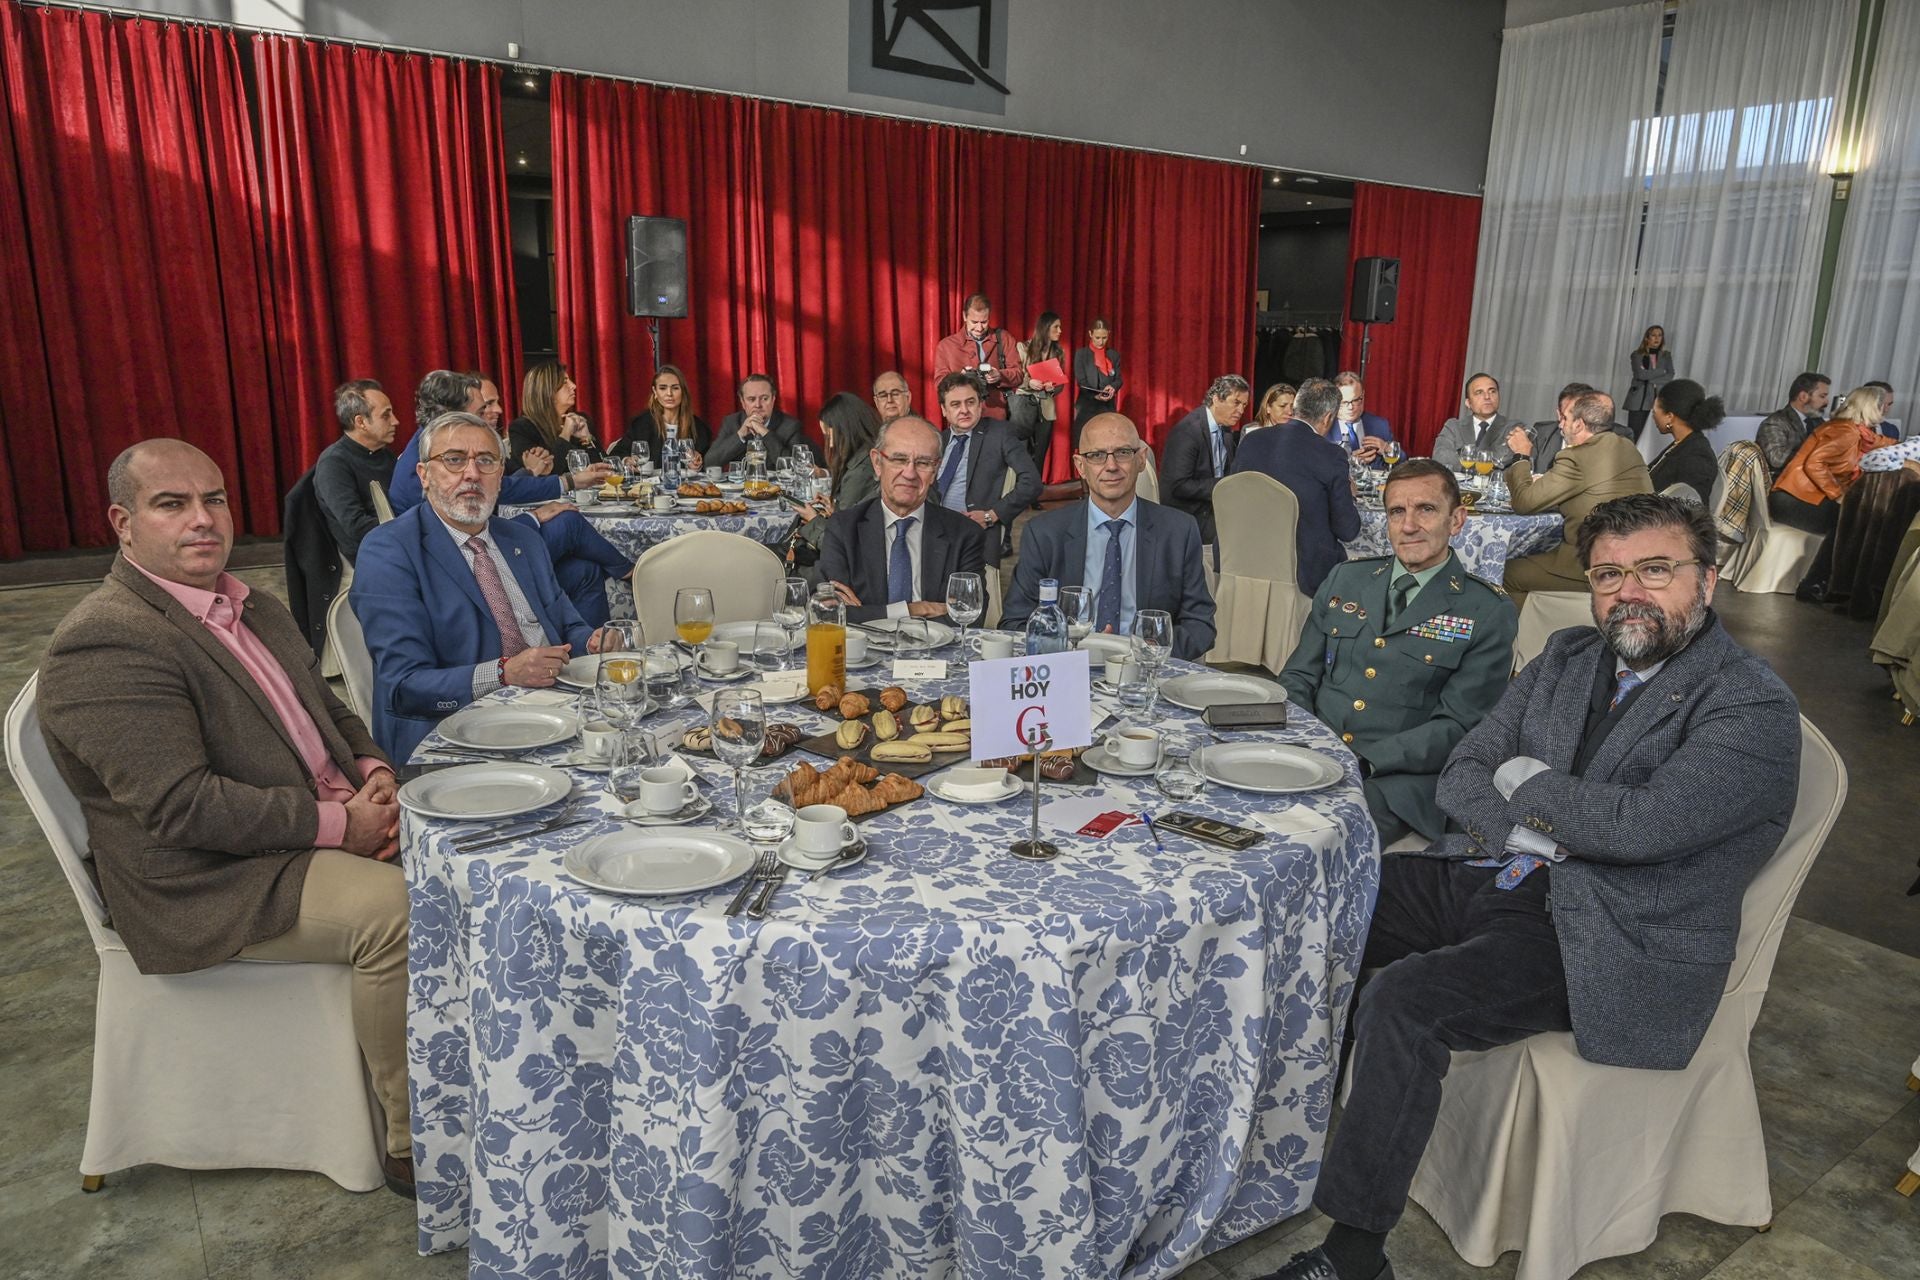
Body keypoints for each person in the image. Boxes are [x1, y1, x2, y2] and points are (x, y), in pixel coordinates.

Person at [1258, 493, 1800, 1280]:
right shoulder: (1570, 656)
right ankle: (1286, 1134)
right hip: (1499, 873)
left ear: (1707, 581)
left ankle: (1353, 1255)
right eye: (1609, 575)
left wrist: (1530, 782)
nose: (1629, 593)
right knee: (1322, 907)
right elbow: (1467, 770)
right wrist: (1532, 814)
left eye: (1656, 570)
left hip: (1608, 934)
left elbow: (1643, 828)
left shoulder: (1749, 704)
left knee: (1405, 1001)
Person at [37, 439, 415, 1197]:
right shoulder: (107, 640)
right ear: (123, 521)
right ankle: (412, 1138)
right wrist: (345, 825)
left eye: (214, 499)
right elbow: (182, 809)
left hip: (298, 827)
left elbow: (331, 711)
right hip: (206, 879)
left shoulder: (250, 604)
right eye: (171, 504)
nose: (203, 520)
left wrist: (372, 772)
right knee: (397, 913)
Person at [1278, 459, 1517, 844]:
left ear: (1456, 520)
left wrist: (1364, 762)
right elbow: (1299, 676)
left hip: (1394, 781)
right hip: (1311, 752)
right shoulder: (1347, 579)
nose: (1408, 526)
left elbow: (1459, 727)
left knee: (1309, 838)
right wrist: (1299, 743)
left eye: (1426, 509)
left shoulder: (1485, 610)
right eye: (1397, 512)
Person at [352, 412, 607, 762]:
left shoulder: (521, 539)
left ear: (500, 477)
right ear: (424, 476)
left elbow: (566, 625)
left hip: (552, 716)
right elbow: (403, 685)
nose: (471, 474)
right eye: (454, 460)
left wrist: (591, 640)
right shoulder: (389, 551)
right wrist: (504, 673)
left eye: (486, 461)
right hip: (455, 737)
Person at [388, 371, 628, 626]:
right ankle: (632, 574)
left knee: (584, 572)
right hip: (463, 574)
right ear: (453, 414)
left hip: (481, 549)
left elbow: (505, 487)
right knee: (568, 521)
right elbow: (465, 539)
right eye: (480, 411)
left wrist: (565, 483)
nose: (492, 414)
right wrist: (531, 519)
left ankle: (590, 656)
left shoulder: (430, 444)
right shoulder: (432, 466)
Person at [1001, 413, 1216, 659]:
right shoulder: (1044, 533)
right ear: (1080, 466)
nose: (1111, 466)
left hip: (1145, 670)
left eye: (1123, 453)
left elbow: (1200, 626)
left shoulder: (1178, 531)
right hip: (1068, 670)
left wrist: (1145, 654)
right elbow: (1015, 623)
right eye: (1096, 456)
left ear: (1141, 459)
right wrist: (1071, 652)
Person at [818, 415, 987, 623]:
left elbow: (970, 615)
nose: (909, 473)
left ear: (935, 470)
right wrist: (915, 609)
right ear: (877, 463)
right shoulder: (844, 528)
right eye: (899, 460)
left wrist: (870, 613)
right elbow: (830, 613)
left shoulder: (965, 534)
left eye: (923, 463)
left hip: (936, 652)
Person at [1502, 391, 1654, 605]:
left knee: (1508, 572)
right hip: (1636, 560)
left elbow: (1523, 503)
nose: (1560, 425)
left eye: (1565, 419)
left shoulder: (1575, 457)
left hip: (1592, 565)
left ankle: (1523, 637)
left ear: (1579, 425)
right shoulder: (1627, 447)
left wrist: (1521, 455)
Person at [1231, 377, 1362, 593]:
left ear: (1296, 407)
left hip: (1244, 559)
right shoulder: (1331, 455)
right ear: (1328, 417)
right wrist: (1352, 496)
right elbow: (1347, 529)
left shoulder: (1252, 440)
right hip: (1301, 573)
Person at [1770, 386, 1894, 601]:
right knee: (1851, 520)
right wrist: (1838, 494)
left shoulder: (1857, 432)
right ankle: (1815, 584)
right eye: (1881, 405)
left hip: (1804, 497)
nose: (1884, 410)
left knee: (1857, 519)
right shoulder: (1844, 431)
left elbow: (1884, 443)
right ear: (1871, 407)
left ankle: (1834, 584)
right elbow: (1814, 463)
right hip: (1792, 499)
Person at [927, 372, 1042, 567]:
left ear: (980, 404)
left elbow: (1032, 482)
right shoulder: (937, 440)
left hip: (975, 534)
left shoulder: (999, 433)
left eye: (970, 402)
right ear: (944, 410)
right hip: (934, 533)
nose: (964, 410)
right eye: (955, 404)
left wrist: (992, 515)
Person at [785, 392, 883, 576]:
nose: (830, 445)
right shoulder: (864, 458)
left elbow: (843, 540)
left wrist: (813, 519)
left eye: (829, 437)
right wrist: (835, 509)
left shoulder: (861, 471)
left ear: (845, 431)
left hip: (847, 568)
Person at [312, 378, 399, 564]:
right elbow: (357, 526)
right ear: (361, 422)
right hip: (370, 558)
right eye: (386, 415)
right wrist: (411, 528)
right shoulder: (334, 463)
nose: (395, 421)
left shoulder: (384, 455)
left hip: (395, 544)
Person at [1162, 373, 1251, 547]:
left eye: (1244, 405)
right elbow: (1178, 485)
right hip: (1190, 513)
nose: (1241, 411)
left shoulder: (1225, 429)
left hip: (1214, 505)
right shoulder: (1188, 432)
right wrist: (1224, 485)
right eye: (1236, 403)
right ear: (1217, 399)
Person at [506, 360, 605, 478]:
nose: (574, 386)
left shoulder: (579, 421)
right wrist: (566, 434)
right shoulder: (522, 428)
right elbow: (548, 472)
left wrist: (587, 439)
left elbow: (605, 469)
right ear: (547, 391)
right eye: (565, 382)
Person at [932, 292, 1024, 419]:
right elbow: (939, 384)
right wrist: (960, 378)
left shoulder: (1004, 338)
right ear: (964, 316)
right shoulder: (946, 346)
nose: (979, 328)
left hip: (997, 415)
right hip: (962, 416)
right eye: (974, 322)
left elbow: (1019, 374)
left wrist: (999, 375)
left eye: (984, 322)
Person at [612, 363, 709, 466]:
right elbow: (617, 453)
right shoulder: (641, 424)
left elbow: (711, 463)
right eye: (663, 388)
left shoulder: (699, 427)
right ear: (655, 392)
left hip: (688, 482)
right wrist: (627, 460)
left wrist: (698, 464)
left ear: (683, 391)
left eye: (675, 388)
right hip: (647, 482)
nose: (669, 394)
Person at [1647, 378, 1725, 503]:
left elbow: (1691, 509)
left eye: (1654, 412)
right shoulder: (1681, 443)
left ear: (1669, 417)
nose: (1653, 416)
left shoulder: (1697, 456)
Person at [707, 373, 807, 468]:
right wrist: (740, 435)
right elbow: (709, 463)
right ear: (743, 402)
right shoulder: (731, 422)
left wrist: (765, 433)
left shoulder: (790, 426)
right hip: (741, 485)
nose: (758, 405)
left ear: (773, 400)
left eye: (764, 398)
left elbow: (797, 467)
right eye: (751, 399)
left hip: (775, 485)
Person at [1009, 310, 1067, 473]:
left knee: (1039, 455)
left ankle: (1034, 493)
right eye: (1056, 327)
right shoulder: (1023, 347)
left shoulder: (1058, 352)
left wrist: (1053, 387)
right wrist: (1029, 382)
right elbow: (1015, 376)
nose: (1060, 331)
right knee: (1021, 453)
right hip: (1024, 407)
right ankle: (1020, 492)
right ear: (1045, 328)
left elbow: (1060, 383)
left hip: (1046, 408)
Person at [1431, 372, 1520, 470]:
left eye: (1492, 391)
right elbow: (1441, 457)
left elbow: (1505, 458)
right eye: (1479, 392)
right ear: (1468, 403)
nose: (1487, 397)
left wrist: (1465, 459)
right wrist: (1484, 464)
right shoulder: (1454, 426)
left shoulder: (1514, 427)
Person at [1755, 371, 1831, 477]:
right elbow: (1777, 459)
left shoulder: (1817, 421)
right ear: (1803, 396)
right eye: (1822, 396)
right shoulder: (1775, 422)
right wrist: (1818, 454)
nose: (1827, 402)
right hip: (1782, 485)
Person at [1071, 317, 1122, 452]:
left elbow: (1118, 379)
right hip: (1087, 405)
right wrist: (1096, 396)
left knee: (1108, 444)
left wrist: (1113, 387)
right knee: (1085, 443)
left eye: (1104, 338)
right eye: (1097, 337)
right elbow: (1081, 381)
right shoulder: (1081, 355)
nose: (1101, 341)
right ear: (1090, 334)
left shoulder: (1113, 355)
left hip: (1107, 406)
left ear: (1109, 335)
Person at [1331, 371, 1394, 462]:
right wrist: (1351, 462)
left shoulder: (1380, 425)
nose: (1351, 407)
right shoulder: (1324, 429)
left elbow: (1403, 463)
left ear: (1363, 396)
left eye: (1356, 400)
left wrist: (1387, 449)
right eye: (1344, 402)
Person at [1623, 323, 1674, 439]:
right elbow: (1640, 375)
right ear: (1647, 338)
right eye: (1653, 335)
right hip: (1639, 399)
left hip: (1657, 398)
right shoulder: (1637, 355)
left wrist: (1650, 379)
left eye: (1660, 335)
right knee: (1635, 432)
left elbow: (1670, 375)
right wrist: (1661, 371)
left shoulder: (1666, 355)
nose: (1657, 338)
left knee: (1655, 434)